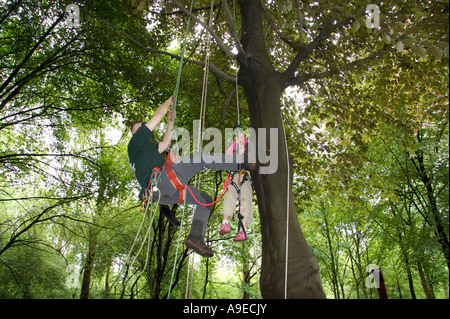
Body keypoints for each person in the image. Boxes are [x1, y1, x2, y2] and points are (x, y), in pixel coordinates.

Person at [127, 96, 254, 257]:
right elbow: (157, 115)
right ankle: (241, 162)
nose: (146, 127)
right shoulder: (136, 141)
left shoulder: (145, 150)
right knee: (200, 158)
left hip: (162, 193)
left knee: (205, 200)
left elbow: (165, 144)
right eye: (143, 126)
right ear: (136, 133)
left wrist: (170, 123)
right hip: (162, 181)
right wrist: (168, 101)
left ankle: (195, 237)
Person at [219, 134, 253, 241]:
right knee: (229, 196)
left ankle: (243, 229)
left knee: (245, 199)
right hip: (234, 179)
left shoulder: (248, 156)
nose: (239, 148)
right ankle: (225, 223)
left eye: (242, 146)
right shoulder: (233, 158)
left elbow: (247, 144)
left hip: (246, 178)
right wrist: (235, 142)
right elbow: (228, 153)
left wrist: (241, 136)